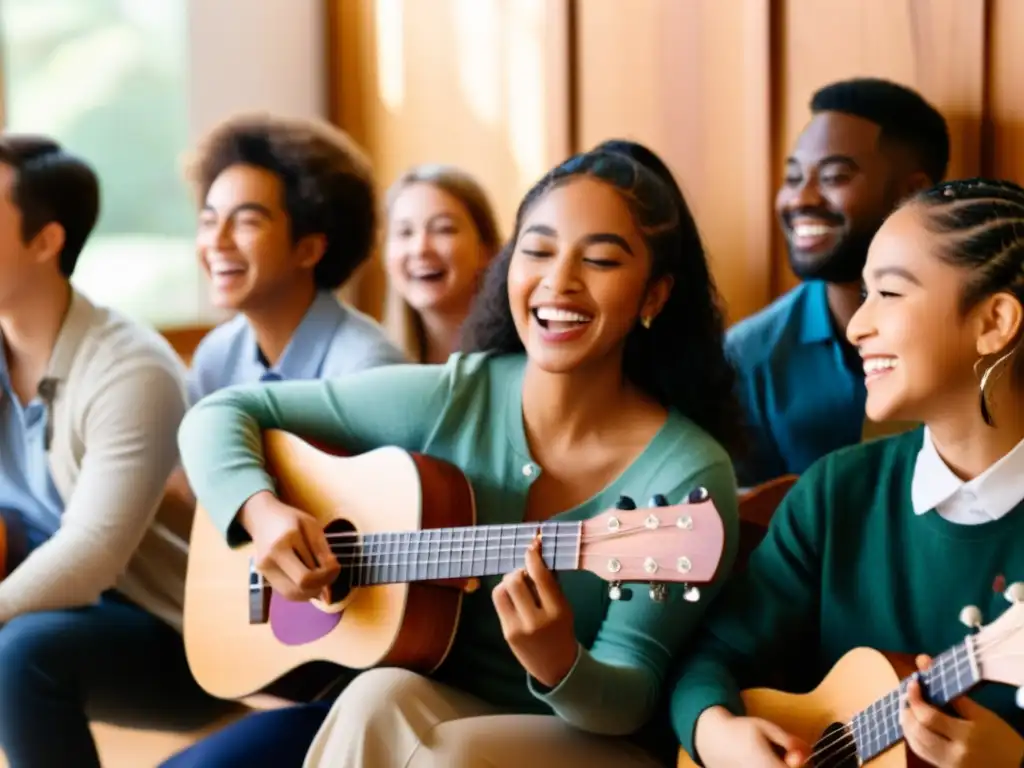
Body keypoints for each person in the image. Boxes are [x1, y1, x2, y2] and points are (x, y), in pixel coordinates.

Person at [164, 148, 746, 767]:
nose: (559, 282)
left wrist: (561, 663)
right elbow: (218, 414)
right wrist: (261, 513)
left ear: (653, 294)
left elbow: (632, 700)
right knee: (376, 696)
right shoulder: (458, 395)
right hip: (435, 709)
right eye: (538, 251)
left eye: (600, 260)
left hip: (603, 745)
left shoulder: (683, 477)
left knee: (443, 757)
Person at [672, 177, 1024, 768]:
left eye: (888, 293)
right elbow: (709, 655)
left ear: (994, 321)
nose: (857, 325)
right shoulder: (839, 492)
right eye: (863, 294)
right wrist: (717, 734)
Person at [0, 136, 221, 768]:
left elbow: (92, 554)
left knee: (20, 654)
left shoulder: (131, 367)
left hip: (174, 632)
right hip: (40, 602)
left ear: (46, 242)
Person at [727, 77, 950, 487]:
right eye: (793, 178)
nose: (801, 199)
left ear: (914, 193)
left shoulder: (983, 334)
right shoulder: (749, 359)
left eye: (833, 177)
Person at [186, 113, 405, 404]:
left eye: (246, 222)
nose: (216, 241)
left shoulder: (369, 369)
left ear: (309, 250)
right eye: (209, 221)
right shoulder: (216, 359)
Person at [382, 163, 501, 363]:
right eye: (405, 232)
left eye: (443, 229)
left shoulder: (521, 362)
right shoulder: (373, 363)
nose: (420, 249)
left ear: (485, 250)